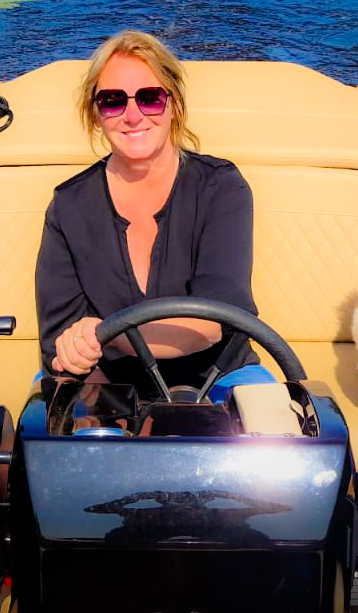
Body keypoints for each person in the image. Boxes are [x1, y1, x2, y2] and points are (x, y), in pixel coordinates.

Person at [35, 30, 273, 400]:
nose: (132, 116)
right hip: (109, 383)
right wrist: (102, 410)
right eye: (113, 101)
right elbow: (61, 345)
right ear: (96, 114)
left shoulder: (221, 189)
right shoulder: (68, 206)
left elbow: (213, 325)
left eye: (149, 98)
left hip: (220, 378)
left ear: (173, 104)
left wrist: (104, 333)